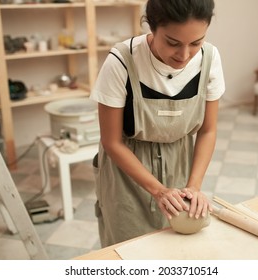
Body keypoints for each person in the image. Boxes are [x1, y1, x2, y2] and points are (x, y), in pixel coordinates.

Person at [90, 0, 225, 247]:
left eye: (196, 42)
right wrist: (158, 190)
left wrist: (193, 186)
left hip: (180, 161)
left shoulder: (209, 58)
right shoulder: (122, 61)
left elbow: (208, 130)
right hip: (127, 171)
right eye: (173, 43)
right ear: (151, 27)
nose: (184, 55)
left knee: (176, 247)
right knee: (127, 249)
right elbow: (111, 141)